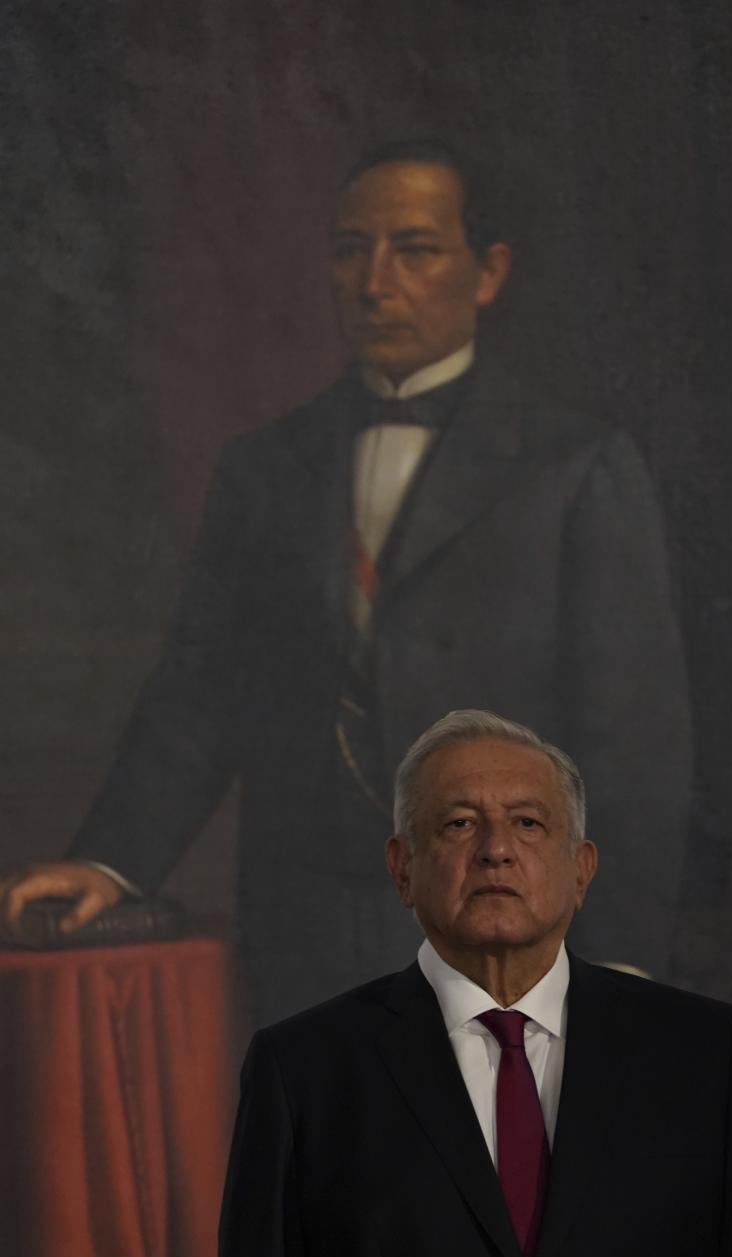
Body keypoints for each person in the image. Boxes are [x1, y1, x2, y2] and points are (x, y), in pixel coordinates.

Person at [0, 141, 691, 1025]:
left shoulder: (580, 467)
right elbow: (198, 693)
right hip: (301, 930)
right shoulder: (266, 467)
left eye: (414, 249)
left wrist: (621, 961)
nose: (374, 282)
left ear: (488, 273)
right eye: (349, 251)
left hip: (507, 931)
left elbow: (634, 745)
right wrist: (109, 862)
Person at [215, 709, 732, 1257]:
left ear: (582, 868)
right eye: (460, 824)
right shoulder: (302, 1074)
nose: (496, 850)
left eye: (529, 824)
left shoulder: (706, 1056)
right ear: (402, 868)